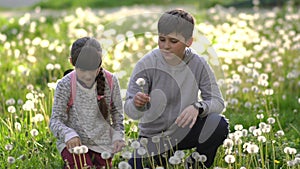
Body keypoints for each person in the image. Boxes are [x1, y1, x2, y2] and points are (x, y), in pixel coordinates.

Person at [124, 9, 229, 168]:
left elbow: (218, 102)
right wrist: (137, 104)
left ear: (189, 41)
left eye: (173, 41)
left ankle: (196, 165)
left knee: (218, 124)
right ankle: (162, 158)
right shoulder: (146, 64)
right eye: (161, 39)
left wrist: (198, 107)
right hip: (153, 138)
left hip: (185, 132)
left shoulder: (198, 64)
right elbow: (130, 111)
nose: (166, 46)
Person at [49, 37, 125, 169]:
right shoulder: (65, 85)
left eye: (93, 69)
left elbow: (117, 116)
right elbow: (55, 120)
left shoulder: (111, 81)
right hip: (74, 145)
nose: (88, 76)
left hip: (102, 145)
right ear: (72, 62)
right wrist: (68, 134)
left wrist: (118, 136)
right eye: (83, 70)